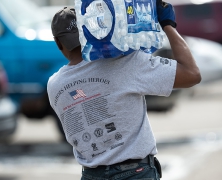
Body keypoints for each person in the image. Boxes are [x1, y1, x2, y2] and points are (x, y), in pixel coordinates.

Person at [47, 1, 201, 179]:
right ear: (92, 28)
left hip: (91, 175)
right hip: (136, 174)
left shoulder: (54, 85)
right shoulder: (126, 63)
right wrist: (168, 25)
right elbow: (192, 74)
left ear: (58, 43)